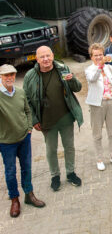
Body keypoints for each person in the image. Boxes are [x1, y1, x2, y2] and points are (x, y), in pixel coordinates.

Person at [23, 46, 83, 191]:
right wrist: (34, 120)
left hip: (66, 117)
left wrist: (72, 79)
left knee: (69, 147)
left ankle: (70, 173)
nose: (46, 59)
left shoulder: (62, 68)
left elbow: (78, 88)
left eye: (48, 56)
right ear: (36, 59)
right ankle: (55, 176)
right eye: (42, 57)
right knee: (51, 150)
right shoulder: (30, 76)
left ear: (52, 56)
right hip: (46, 121)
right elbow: (26, 101)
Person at [0, 64, 45, 218]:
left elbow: (27, 110)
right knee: (11, 172)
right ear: (0, 77)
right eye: (6, 75)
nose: (9, 78)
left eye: (12, 74)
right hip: (6, 142)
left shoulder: (20, 92)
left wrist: (29, 128)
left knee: (27, 168)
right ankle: (14, 200)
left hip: (24, 138)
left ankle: (29, 194)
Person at [85, 43, 112, 171]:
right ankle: (99, 159)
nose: (98, 57)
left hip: (111, 101)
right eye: (95, 55)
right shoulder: (89, 70)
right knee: (97, 134)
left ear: (104, 55)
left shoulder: (109, 68)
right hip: (97, 104)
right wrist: (99, 67)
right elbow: (92, 79)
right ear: (91, 57)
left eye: (100, 55)